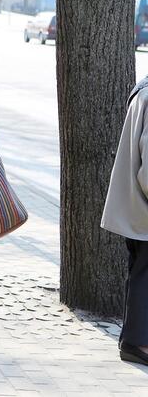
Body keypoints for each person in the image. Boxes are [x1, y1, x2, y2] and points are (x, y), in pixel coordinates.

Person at [101, 75, 148, 366]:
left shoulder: (145, 88)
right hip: (142, 207)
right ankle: (137, 343)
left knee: (142, 271)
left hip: (135, 207)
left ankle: (136, 340)